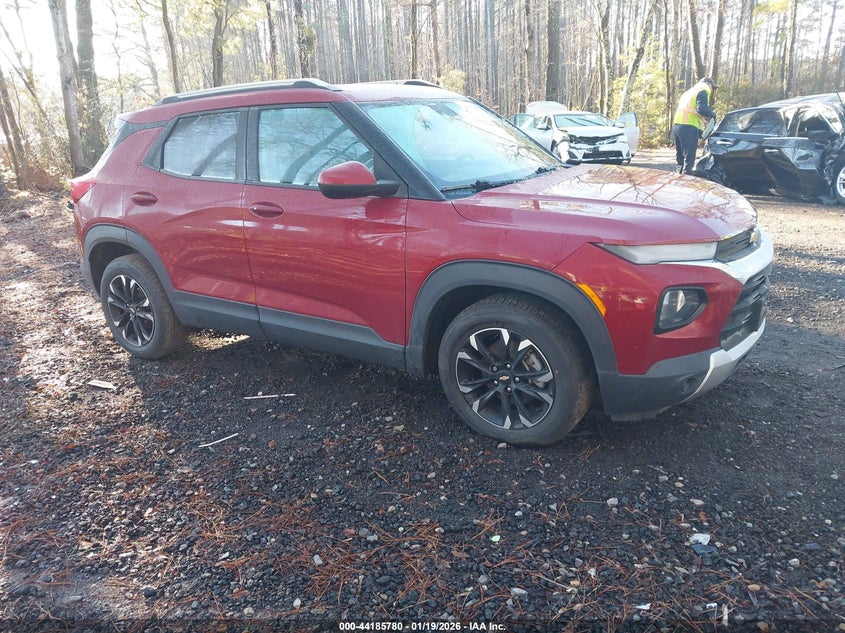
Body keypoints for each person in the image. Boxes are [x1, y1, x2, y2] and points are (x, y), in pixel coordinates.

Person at [672, 77, 717, 175]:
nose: (712, 91)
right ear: (709, 84)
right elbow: (702, 109)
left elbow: (691, 111)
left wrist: (700, 132)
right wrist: (712, 114)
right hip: (688, 126)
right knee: (689, 160)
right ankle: (687, 180)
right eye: (713, 88)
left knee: (680, 159)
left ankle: (678, 178)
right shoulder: (704, 89)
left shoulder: (688, 92)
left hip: (677, 126)